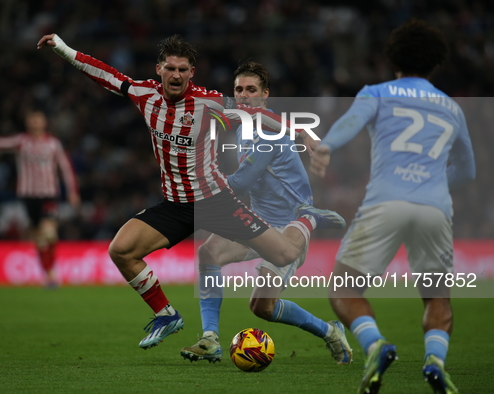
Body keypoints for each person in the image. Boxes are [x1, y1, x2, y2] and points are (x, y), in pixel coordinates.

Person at [37, 33, 346, 349]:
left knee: (284, 253)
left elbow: (255, 114)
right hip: (176, 206)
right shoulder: (145, 94)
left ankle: (309, 221)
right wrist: (63, 48)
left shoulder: (207, 103)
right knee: (121, 250)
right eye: (170, 68)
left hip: (217, 201)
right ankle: (170, 316)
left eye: (183, 69)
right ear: (159, 69)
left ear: (191, 72)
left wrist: (302, 134)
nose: (176, 75)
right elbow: (106, 75)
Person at [311, 20, 475, 394]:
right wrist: (430, 184)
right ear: (435, 63)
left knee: (343, 290)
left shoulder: (378, 92)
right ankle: (434, 361)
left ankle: (376, 345)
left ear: (392, 58)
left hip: (385, 202)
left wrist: (326, 147)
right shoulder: (452, 107)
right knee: (437, 297)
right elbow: (469, 170)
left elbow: (351, 122)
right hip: (435, 209)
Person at [180, 61, 352, 365]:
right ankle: (209, 338)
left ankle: (330, 331)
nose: (244, 96)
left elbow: (240, 182)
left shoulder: (269, 134)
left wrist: (198, 185)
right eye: (238, 90)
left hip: (291, 223)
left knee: (262, 307)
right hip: (259, 219)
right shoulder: (243, 130)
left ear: (265, 95)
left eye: (251, 90)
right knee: (208, 253)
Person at [0, 111, 80, 287]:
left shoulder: (53, 144)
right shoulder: (21, 141)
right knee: (40, 239)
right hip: (28, 195)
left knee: (49, 233)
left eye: (37, 120)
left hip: (48, 194)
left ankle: (50, 272)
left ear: (44, 122)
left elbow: (65, 168)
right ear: (27, 123)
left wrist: (72, 191)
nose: (35, 123)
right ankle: (48, 274)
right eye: (31, 120)